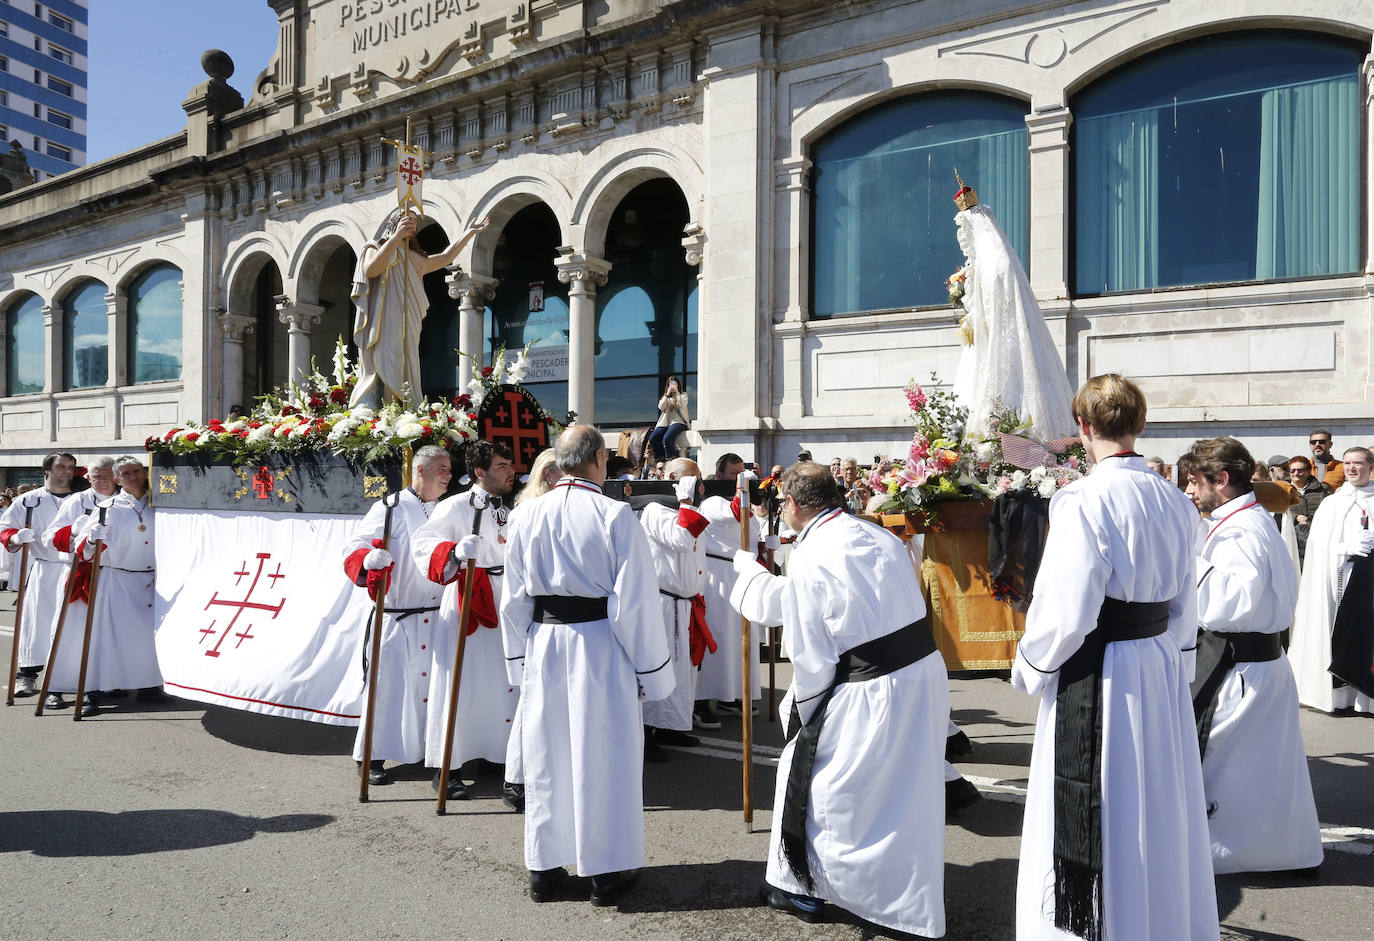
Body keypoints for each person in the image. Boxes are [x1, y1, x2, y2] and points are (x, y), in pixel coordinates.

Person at [1011, 375, 1218, 941]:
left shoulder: (1081, 498)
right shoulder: (1176, 499)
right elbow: (1185, 598)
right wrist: (1173, 658)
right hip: (1155, 659)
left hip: (1101, 669)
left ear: (1082, 427)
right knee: (1155, 795)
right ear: (1140, 425)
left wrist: (1032, 666)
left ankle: (1099, 924)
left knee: (1104, 796)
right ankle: (1156, 916)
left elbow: (1067, 609)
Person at [730, 461, 948, 934]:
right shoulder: (876, 534)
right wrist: (753, 580)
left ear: (791, 504)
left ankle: (821, 891)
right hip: (920, 675)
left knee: (829, 788)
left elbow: (811, 654)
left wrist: (801, 713)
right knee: (905, 792)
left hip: (870, 688)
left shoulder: (811, 555)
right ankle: (888, 894)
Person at [500, 424, 672, 906]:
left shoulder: (527, 515)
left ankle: (544, 868)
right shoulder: (614, 514)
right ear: (598, 458)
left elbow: (513, 599)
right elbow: (635, 602)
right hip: (599, 646)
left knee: (548, 754)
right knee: (605, 755)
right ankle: (607, 871)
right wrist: (652, 672)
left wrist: (519, 660)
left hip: (544, 643)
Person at [1183, 438, 1321, 875]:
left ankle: (1233, 855)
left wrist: (1186, 559)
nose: (1189, 491)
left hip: (1241, 668)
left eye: (1194, 481)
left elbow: (1228, 605)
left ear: (1220, 481)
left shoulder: (1242, 530)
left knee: (1234, 769)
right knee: (1262, 770)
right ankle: (1277, 852)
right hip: (1256, 666)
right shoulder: (1246, 519)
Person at [411, 440, 519, 800]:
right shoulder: (456, 506)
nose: (511, 471)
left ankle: (497, 753)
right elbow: (423, 543)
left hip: (505, 599)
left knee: (501, 682)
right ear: (479, 472)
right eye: (502, 465)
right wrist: (454, 551)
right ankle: (448, 765)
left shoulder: (511, 508)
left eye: (509, 465)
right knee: (462, 681)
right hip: (469, 598)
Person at [340, 445, 449, 785]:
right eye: (441, 468)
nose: (448, 474)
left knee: (434, 689)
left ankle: (433, 754)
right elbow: (353, 547)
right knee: (387, 687)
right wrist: (367, 560)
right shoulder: (389, 508)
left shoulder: (447, 510)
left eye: (449, 468)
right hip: (397, 616)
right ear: (420, 471)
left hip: (437, 615)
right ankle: (371, 755)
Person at [949, 178, 1076, 442]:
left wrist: (974, 308)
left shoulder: (997, 261)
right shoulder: (987, 260)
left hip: (1001, 330)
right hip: (982, 340)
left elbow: (996, 298)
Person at [57, 456, 167, 716]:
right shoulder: (109, 507)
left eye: (137, 471)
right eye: (125, 473)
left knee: (147, 639)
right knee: (104, 639)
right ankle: (92, 692)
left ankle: (148, 686)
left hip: (152, 579)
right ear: (117, 480)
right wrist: (93, 540)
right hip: (117, 578)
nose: (133, 477)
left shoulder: (161, 502)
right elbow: (83, 551)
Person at [351, 211, 490, 407]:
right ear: (395, 224)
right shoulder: (376, 247)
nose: (411, 224)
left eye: (414, 221)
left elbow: (445, 257)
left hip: (410, 318)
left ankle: (403, 409)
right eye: (406, 219)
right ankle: (387, 411)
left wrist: (468, 233)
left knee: (406, 362)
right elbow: (372, 269)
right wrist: (395, 238)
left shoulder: (415, 258)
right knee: (388, 359)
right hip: (386, 316)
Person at [1289, 446, 1374, 714]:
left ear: (1370, 466)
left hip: (1370, 583)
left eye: (1358, 463)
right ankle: (1339, 695)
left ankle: (1366, 696)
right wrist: (1344, 547)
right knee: (1338, 631)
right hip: (1339, 577)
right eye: (1347, 463)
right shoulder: (1332, 503)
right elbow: (1317, 545)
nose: (1351, 468)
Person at [639, 458, 711, 761]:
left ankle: (670, 726)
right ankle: (646, 734)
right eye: (692, 481)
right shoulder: (655, 511)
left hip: (685, 604)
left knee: (682, 673)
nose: (699, 488)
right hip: (663, 604)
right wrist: (685, 501)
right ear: (673, 479)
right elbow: (681, 541)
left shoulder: (690, 510)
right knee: (659, 668)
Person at [40, 457, 118, 711]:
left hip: (111, 576)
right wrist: (73, 531)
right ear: (88, 477)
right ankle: (55, 686)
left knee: (100, 635)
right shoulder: (77, 501)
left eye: (108, 475)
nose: (103, 480)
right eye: (97, 476)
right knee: (66, 633)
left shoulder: (125, 501)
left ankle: (94, 687)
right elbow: (50, 536)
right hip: (77, 572)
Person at [0, 452, 77, 696]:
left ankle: (69, 674)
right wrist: (14, 536)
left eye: (71, 467)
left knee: (72, 624)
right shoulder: (28, 501)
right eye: (61, 466)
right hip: (43, 568)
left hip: (74, 569)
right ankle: (27, 675)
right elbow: (5, 527)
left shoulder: (81, 499)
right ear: (47, 470)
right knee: (37, 622)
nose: (67, 471)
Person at [1288, 455, 1331, 565]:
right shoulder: (1282, 490)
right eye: (1292, 470)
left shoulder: (1322, 490)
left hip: (1318, 540)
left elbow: (1330, 513)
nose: (1296, 474)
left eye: (1300, 470)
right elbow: (1277, 513)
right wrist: (1295, 517)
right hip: (1292, 540)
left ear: (1308, 471)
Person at [647, 376, 690, 461]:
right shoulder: (666, 397)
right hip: (665, 423)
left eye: (674, 383)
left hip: (679, 422)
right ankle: (660, 457)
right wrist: (667, 394)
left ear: (678, 384)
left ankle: (671, 458)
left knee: (667, 438)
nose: (672, 385)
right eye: (671, 383)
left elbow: (682, 404)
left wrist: (677, 392)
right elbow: (661, 407)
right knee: (653, 437)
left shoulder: (683, 395)